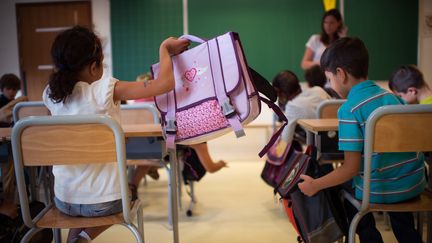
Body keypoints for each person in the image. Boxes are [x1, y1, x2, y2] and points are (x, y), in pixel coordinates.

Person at [43, 26, 189, 243]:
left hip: (64, 200)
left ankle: (78, 238)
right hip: (104, 203)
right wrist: (164, 48)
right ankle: (84, 236)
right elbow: (165, 84)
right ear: (94, 66)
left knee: (84, 206)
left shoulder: (50, 94)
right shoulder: (106, 89)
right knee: (125, 194)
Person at [298, 37, 425, 243]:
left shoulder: (349, 110)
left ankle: (370, 239)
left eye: (330, 79)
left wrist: (316, 185)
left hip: (379, 191)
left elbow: (350, 169)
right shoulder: (394, 99)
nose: (331, 84)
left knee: (342, 188)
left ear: (341, 74)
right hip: (412, 184)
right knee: (393, 177)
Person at [272, 70, 331, 151]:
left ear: (281, 94)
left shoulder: (292, 106)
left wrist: (275, 152)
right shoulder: (318, 90)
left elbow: (285, 141)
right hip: (342, 140)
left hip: (321, 148)